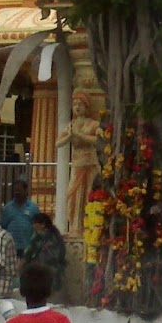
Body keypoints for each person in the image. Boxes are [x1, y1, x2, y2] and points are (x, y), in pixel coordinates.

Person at [56, 93, 102, 235]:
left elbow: (99, 140)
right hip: (77, 165)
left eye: (80, 104)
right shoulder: (71, 125)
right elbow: (58, 143)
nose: (77, 107)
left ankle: (90, 226)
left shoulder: (93, 124)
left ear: (86, 107)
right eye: (75, 104)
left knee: (90, 194)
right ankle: (75, 227)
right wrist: (70, 136)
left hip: (90, 164)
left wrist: (80, 135)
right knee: (73, 196)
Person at [25, 212, 68, 295]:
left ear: (43, 225)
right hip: (44, 272)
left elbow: (51, 257)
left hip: (49, 271)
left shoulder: (50, 237)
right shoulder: (41, 235)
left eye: (34, 223)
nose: (33, 226)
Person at [1, 179, 40, 255]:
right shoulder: (7, 208)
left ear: (26, 191)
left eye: (19, 190)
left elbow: (37, 228)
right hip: (10, 249)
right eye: (15, 190)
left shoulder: (33, 208)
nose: (17, 193)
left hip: (28, 248)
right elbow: (3, 227)